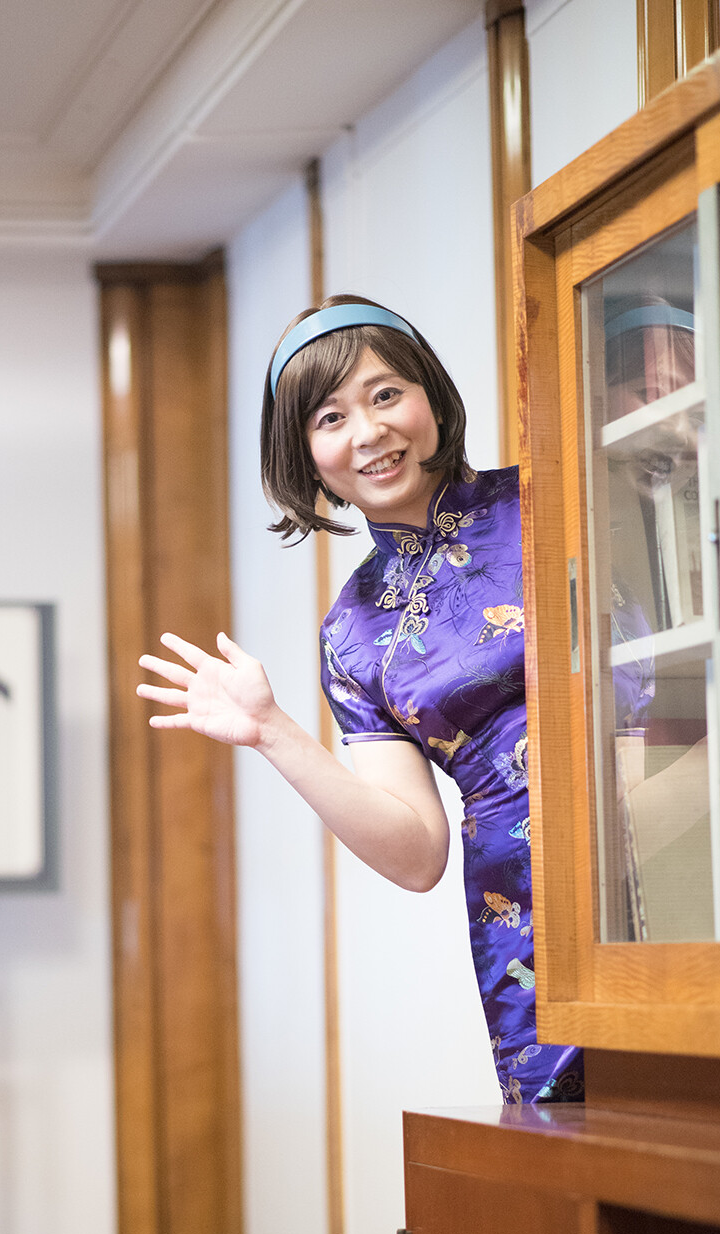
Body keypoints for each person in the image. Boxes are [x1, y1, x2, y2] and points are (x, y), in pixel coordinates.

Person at [138, 293, 585, 1104]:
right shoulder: (352, 633)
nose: (369, 432)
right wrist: (273, 732)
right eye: (331, 418)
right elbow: (416, 856)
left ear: (430, 398)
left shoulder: (561, 493)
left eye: (386, 394)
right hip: (530, 920)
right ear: (306, 454)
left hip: (675, 831)